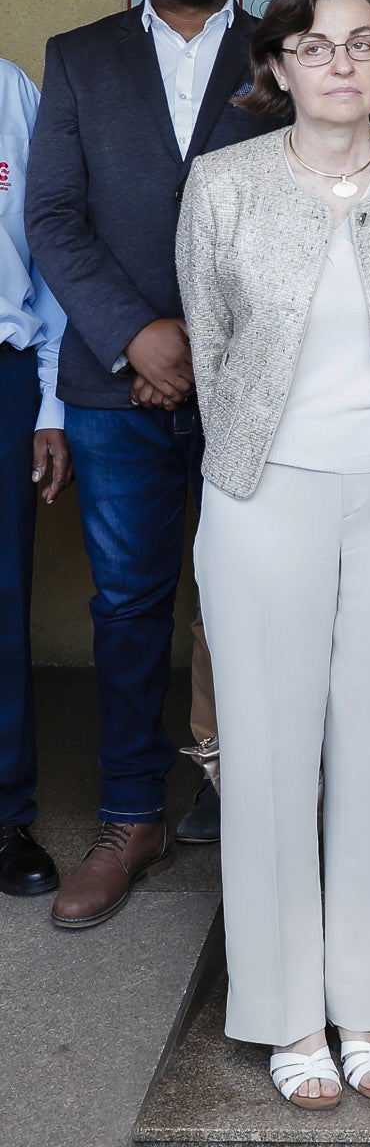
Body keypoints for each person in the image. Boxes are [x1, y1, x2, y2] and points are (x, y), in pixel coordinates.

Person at [178, 0, 370, 1110]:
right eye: (315, 44)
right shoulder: (225, 184)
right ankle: (287, 1014)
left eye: (360, 42)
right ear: (279, 65)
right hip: (262, 497)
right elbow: (211, 350)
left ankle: (364, 1005)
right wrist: (262, 461)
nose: (340, 61)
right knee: (266, 755)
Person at [28, 0, 277, 927]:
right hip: (112, 383)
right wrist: (138, 332)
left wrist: (207, 344)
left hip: (251, 381)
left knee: (255, 604)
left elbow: (305, 211)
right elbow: (52, 217)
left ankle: (259, 810)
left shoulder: (284, 52)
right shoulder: (80, 59)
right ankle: (132, 817)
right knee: (129, 606)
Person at [0, 58, 73, 899]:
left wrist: (52, 401)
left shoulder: (13, 94)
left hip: (4, 373)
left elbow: (49, 251)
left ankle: (5, 813)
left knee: (1, 607)